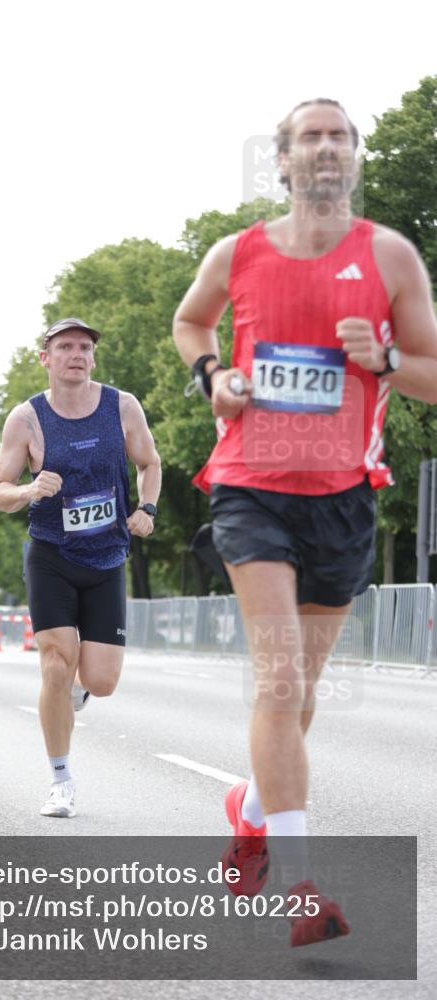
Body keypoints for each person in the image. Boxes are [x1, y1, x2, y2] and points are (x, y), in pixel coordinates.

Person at [173, 98, 437, 947]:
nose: (326, 146)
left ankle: (249, 812)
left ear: (354, 157)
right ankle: (299, 887)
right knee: (281, 683)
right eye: (309, 136)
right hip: (249, 487)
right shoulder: (237, 252)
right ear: (282, 160)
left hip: (343, 494)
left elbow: (432, 372)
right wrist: (213, 376)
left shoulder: (389, 255)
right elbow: (190, 321)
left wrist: (385, 360)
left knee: (302, 692)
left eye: (339, 136)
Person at [0, 317, 161, 818]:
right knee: (56, 663)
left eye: (85, 347)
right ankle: (60, 780)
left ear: (93, 357)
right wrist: (28, 489)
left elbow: (149, 463)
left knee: (101, 681)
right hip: (52, 557)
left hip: (107, 556)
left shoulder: (122, 406)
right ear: (45, 358)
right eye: (65, 346)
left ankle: (78, 689)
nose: (77, 354)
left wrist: (147, 509)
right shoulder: (27, 419)